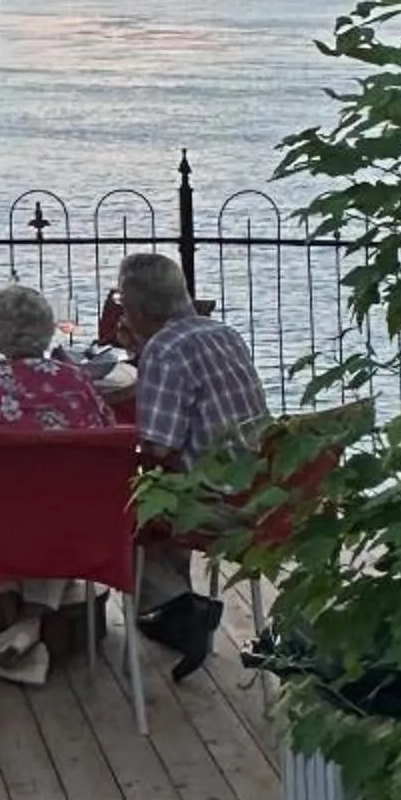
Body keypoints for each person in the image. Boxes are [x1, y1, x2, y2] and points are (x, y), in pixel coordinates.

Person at [0, 282, 113, 687]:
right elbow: (109, 442)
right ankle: (29, 627)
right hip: (76, 527)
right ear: (49, 329)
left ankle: (20, 628)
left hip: (5, 529)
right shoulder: (78, 383)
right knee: (53, 499)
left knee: (1, 505)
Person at [113, 249, 268, 680]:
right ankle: (173, 606)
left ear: (137, 307)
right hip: (265, 488)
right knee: (164, 485)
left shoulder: (165, 350)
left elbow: (157, 449)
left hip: (221, 504)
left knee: (112, 505)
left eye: (122, 304)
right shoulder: (222, 333)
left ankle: (181, 611)